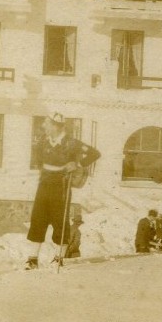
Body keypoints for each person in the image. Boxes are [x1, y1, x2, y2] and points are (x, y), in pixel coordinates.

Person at [25, 113, 100, 269]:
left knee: (60, 221)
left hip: (61, 186)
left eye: (46, 123)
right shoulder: (44, 141)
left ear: (55, 126)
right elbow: (39, 161)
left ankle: (58, 258)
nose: (44, 126)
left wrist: (78, 164)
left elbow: (94, 153)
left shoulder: (71, 143)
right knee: (38, 218)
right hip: (44, 184)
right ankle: (33, 260)